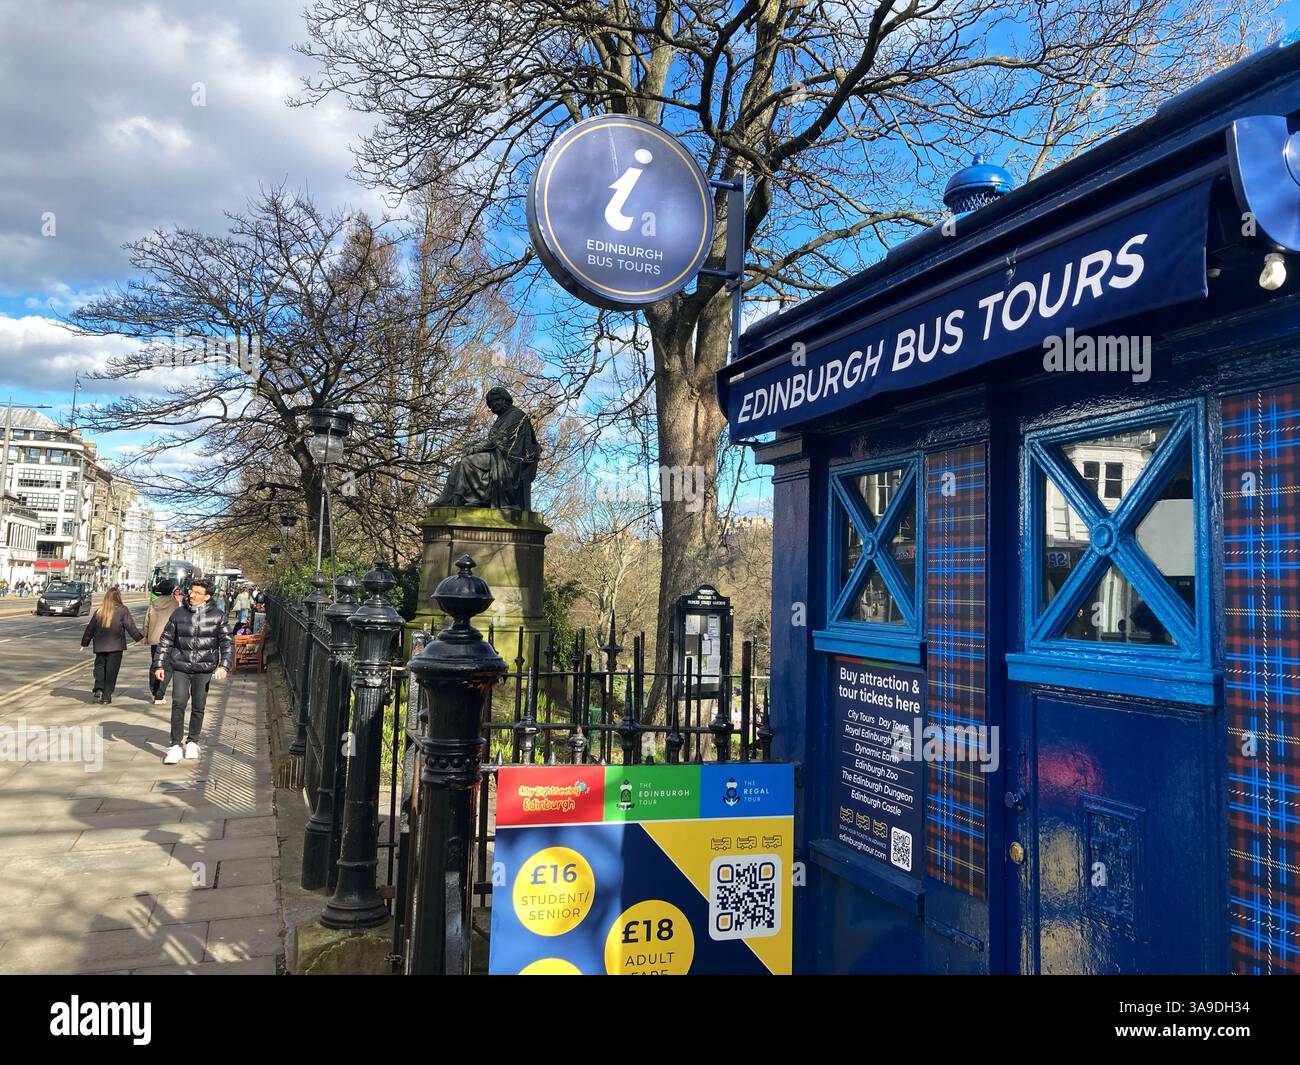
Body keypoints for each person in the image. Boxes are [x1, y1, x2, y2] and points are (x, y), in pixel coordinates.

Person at [153, 578, 232, 765]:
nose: (191, 594)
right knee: (178, 702)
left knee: (199, 704)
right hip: (181, 665)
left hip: (204, 668)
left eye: (197, 593)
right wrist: (159, 664)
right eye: (191, 591)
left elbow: (227, 642)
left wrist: (224, 666)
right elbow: (166, 640)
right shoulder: (178, 613)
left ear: (207, 596)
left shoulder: (218, 615)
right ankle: (174, 745)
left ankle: (193, 742)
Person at [80, 586, 144, 704]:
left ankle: (98, 688)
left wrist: (85, 643)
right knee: (111, 671)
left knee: (100, 667)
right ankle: (106, 696)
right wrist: (139, 639)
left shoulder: (100, 610)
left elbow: (90, 628)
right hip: (116, 646)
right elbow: (130, 626)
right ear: (118, 597)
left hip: (100, 645)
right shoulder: (122, 610)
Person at [145, 579, 185, 705]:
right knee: (167, 668)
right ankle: (159, 694)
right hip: (169, 640)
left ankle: (154, 689)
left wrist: (146, 636)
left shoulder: (154, 603)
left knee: (156, 664)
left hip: (155, 639)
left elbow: (146, 621)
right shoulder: (175, 604)